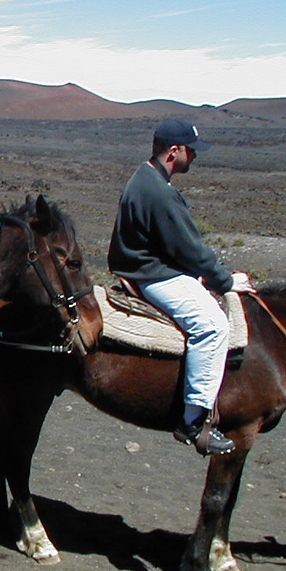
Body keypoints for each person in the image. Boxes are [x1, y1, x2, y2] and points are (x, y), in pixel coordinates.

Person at [108, 119, 255, 456]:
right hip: (152, 275)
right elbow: (192, 251)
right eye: (191, 151)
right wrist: (226, 281)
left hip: (148, 267)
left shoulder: (145, 177)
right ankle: (192, 420)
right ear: (174, 151)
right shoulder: (160, 193)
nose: (194, 157)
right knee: (213, 326)